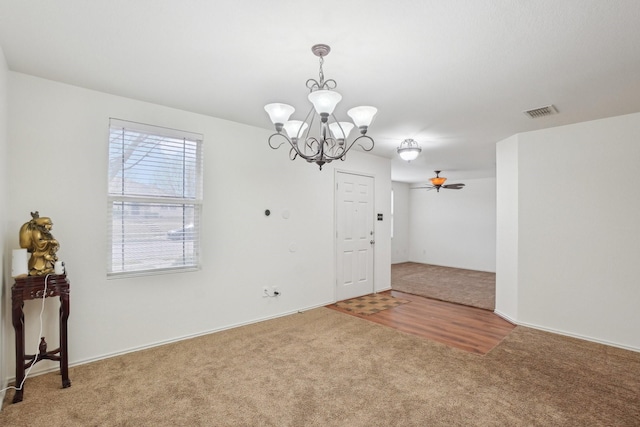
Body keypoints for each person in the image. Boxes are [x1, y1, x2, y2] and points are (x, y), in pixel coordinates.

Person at [19, 211, 59, 275]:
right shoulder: (36, 231)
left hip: (47, 255)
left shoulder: (46, 232)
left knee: (49, 267)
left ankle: (47, 269)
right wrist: (50, 242)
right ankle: (39, 271)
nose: (51, 228)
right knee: (38, 268)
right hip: (39, 254)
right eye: (49, 225)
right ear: (44, 225)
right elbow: (39, 242)